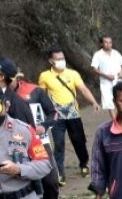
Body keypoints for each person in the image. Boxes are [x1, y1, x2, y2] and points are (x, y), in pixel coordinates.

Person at [0, 57, 63, 199]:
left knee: (49, 179)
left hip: (33, 143)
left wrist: (44, 126)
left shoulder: (28, 96)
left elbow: (50, 113)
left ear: (2, 76)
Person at [37, 46, 98, 185]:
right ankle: (60, 173)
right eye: (58, 59)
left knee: (79, 141)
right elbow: (41, 96)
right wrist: (44, 114)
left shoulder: (73, 74)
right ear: (51, 61)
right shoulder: (44, 76)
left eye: (63, 58)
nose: (61, 61)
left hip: (73, 113)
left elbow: (83, 89)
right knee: (58, 143)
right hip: (56, 116)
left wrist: (93, 102)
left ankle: (83, 164)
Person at [90, 35, 122, 118]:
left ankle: (119, 119)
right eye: (106, 42)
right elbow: (94, 69)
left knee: (119, 100)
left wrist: (121, 72)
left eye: (110, 42)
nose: (108, 44)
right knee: (109, 103)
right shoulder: (98, 55)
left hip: (117, 81)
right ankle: (116, 123)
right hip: (105, 83)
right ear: (102, 44)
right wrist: (106, 75)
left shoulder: (116, 53)